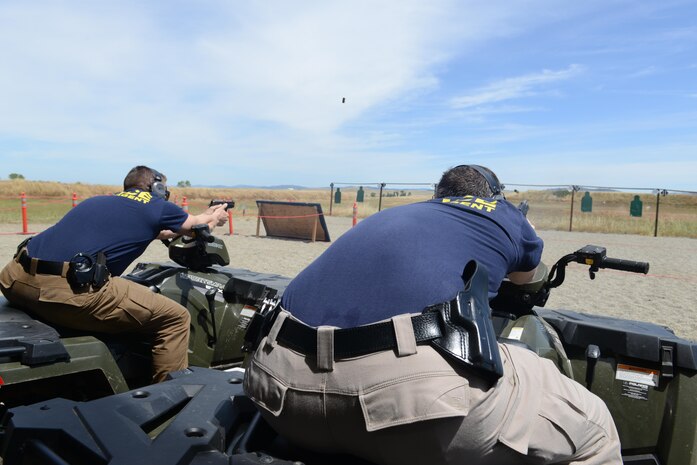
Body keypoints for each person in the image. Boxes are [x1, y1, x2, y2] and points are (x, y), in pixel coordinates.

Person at [244, 165, 621, 465]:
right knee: (596, 429)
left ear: (440, 194)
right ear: (495, 195)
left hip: (277, 389)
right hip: (405, 408)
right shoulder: (503, 213)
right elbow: (528, 277)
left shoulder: (400, 214)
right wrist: (523, 229)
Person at [0, 166, 229, 383]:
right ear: (157, 189)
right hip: (63, 293)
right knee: (176, 318)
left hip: (14, 280)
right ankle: (171, 395)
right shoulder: (158, 205)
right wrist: (215, 217)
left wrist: (205, 215)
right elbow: (197, 226)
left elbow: (152, 228)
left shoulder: (100, 200)